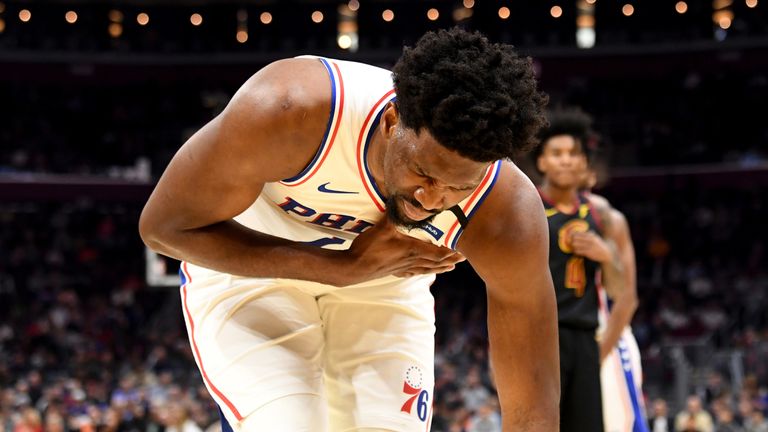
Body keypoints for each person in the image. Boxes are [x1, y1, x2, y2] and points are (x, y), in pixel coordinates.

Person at [139, 28, 559, 431]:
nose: (432, 200)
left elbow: (531, 408)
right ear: (392, 121)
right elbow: (163, 228)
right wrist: (338, 268)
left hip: (383, 286)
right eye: (423, 174)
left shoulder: (506, 214)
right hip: (253, 273)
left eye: (457, 188)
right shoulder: (290, 109)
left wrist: (355, 271)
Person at [535, 108, 625, 432]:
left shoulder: (600, 215)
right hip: (540, 336)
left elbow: (620, 291)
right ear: (541, 161)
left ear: (585, 161)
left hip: (586, 335)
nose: (566, 160)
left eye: (573, 154)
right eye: (556, 153)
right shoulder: (528, 208)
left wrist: (606, 257)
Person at [581, 152, 649, 432]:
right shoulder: (539, 217)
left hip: (604, 336)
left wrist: (598, 354)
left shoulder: (608, 221)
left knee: (621, 423)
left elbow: (627, 298)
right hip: (559, 341)